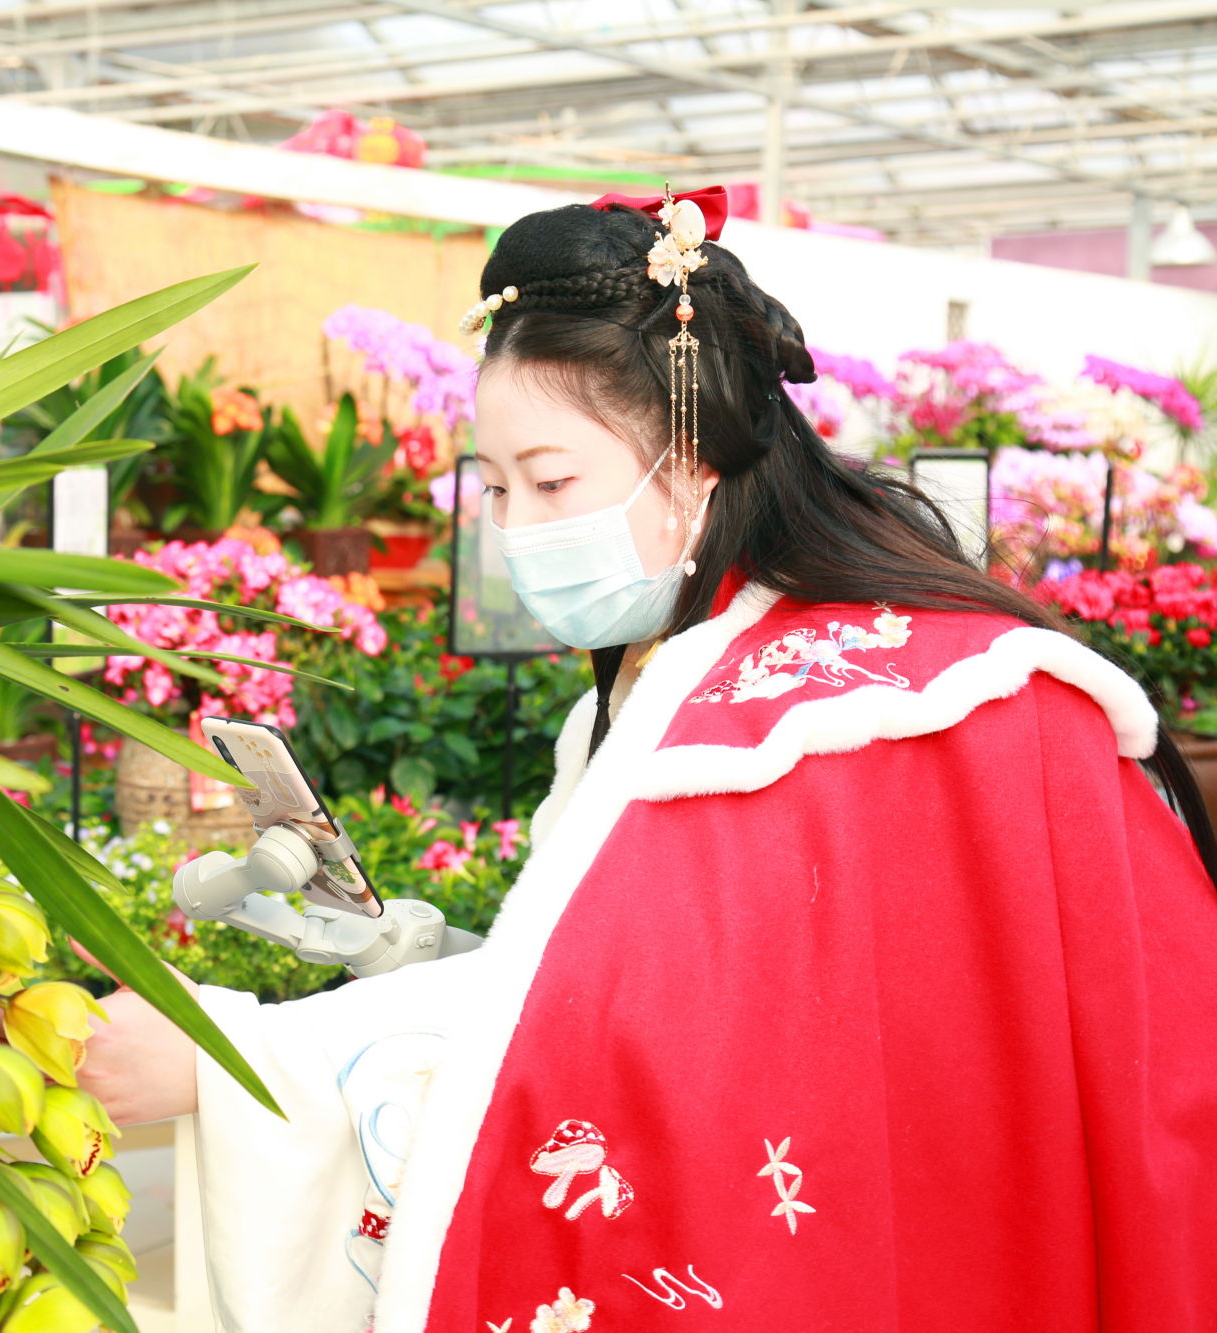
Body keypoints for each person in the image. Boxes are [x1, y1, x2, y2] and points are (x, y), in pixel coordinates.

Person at [76, 191, 1217, 1332]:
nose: (519, 527)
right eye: (497, 486)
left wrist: (247, 1070)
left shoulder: (866, 723)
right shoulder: (664, 688)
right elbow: (634, 1011)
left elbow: (670, 1082)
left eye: (553, 482)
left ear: (693, 454)